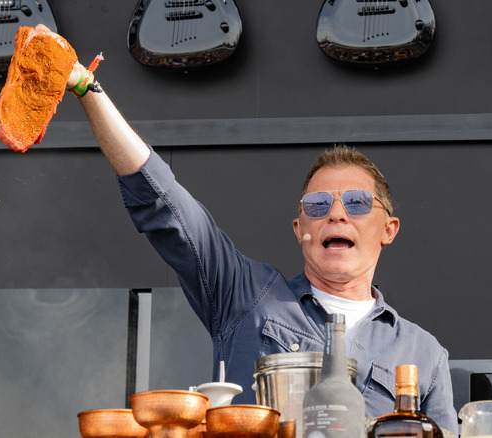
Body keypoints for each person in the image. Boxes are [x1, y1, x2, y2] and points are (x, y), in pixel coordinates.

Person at [62, 57, 458, 434]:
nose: (336, 214)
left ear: (388, 229)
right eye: (317, 205)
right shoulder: (247, 296)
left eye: (357, 202)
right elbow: (165, 203)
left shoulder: (424, 354)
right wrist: (86, 87)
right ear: (299, 228)